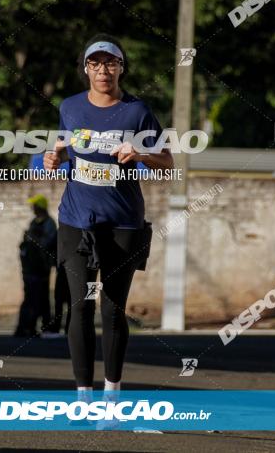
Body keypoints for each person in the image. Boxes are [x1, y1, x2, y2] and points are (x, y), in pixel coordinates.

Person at [44, 34, 173, 398]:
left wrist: (141, 155)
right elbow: (65, 152)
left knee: (112, 311)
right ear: (86, 69)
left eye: (111, 63)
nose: (103, 70)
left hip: (123, 225)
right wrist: (55, 159)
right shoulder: (69, 108)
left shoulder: (137, 111)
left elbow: (168, 162)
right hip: (76, 222)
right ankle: (84, 397)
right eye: (96, 64)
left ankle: (111, 396)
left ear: (121, 68)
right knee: (80, 308)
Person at [14, 194, 57, 337]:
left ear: (40, 207)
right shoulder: (34, 222)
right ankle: (26, 327)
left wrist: (34, 239)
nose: (32, 208)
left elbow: (46, 244)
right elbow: (26, 243)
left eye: (34, 206)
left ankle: (43, 326)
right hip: (29, 268)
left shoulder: (49, 223)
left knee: (40, 298)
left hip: (41, 268)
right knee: (31, 297)